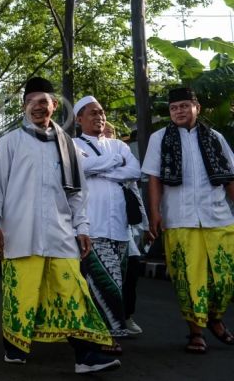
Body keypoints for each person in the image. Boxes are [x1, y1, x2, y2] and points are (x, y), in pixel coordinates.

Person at [0, 77, 119, 374]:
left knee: (73, 291)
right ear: (23, 107)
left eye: (43, 101)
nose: (37, 107)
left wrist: (82, 227)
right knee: (23, 295)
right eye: (31, 102)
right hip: (20, 232)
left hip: (60, 233)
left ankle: (86, 355)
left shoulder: (67, 144)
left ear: (54, 106)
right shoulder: (10, 142)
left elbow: (77, 193)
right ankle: (15, 345)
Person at [141, 87, 234, 354]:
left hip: (218, 217)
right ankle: (196, 332)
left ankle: (214, 319)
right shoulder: (160, 138)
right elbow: (154, 178)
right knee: (188, 280)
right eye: (174, 108)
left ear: (197, 108)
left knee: (224, 279)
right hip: (179, 218)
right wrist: (155, 213)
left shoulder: (215, 137)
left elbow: (229, 176)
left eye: (184, 106)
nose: (179, 111)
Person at [73, 96, 141, 351]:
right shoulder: (72, 144)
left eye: (101, 112)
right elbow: (79, 167)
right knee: (104, 281)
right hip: (92, 226)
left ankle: (100, 331)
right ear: (79, 119)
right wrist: (113, 164)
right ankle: (107, 335)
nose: (99, 116)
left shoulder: (118, 145)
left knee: (117, 280)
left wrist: (98, 169)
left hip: (120, 228)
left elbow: (135, 171)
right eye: (92, 113)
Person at [103, 123, 148, 336]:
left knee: (131, 266)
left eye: (111, 133)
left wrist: (145, 224)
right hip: (96, 225)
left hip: (124, 226)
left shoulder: (122, 154)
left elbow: (134, 188)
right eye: (105, 134)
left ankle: (126, 315)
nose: (109, 136)